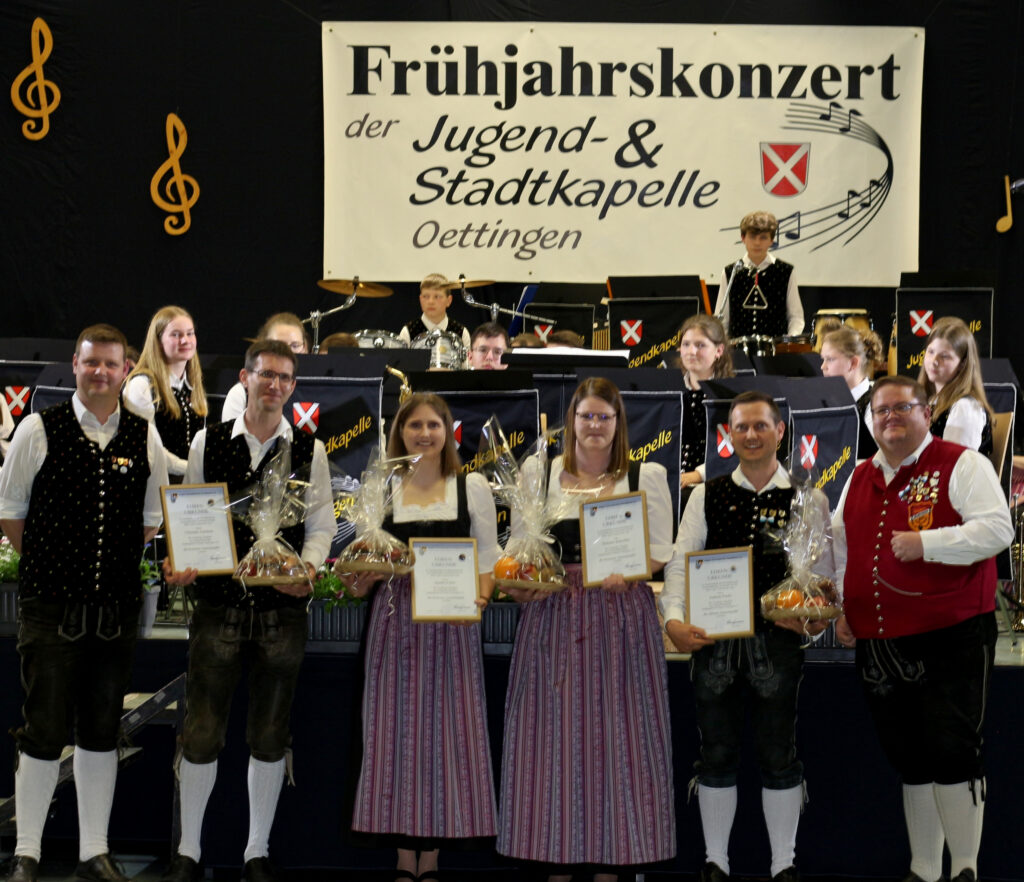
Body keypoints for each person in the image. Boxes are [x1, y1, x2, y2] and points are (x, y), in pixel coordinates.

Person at [161, 339, 336, 882]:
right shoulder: (207, 441)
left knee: (270, 735)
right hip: (218, 608)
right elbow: (190, 513)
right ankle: (188, 852)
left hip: (283, 613)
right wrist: (184, 560)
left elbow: (322, 525)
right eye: (266, 375)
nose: (275, 385)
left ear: (293, 386)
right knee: (201, 732)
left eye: (284, 378)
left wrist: (307, 570)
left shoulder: (310, 450)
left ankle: (255, 852)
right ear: (245, 377)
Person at [0, 324, 169, 882]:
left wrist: (105, 569)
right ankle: (26, 853)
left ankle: (93, 853)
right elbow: (10, 512)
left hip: (114, 612)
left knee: (101, 730)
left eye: (111, 364)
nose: (100, 372)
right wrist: (55, 567)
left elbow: (149, 522)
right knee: (43, 730)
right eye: (91, 362)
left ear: (126, 371)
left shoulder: (144, 436)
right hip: (49, 610)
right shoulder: (37, 428)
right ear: (74, 364)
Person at [831, 375, 1012, 882]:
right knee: (909, 756)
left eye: (902, 408)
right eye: (881, 411)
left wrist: (928, 543)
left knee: (953, 750)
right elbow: (841, 545)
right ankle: (925, 869)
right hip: (879, 639)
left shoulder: (962, 463)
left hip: (952, 634)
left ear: (926, 412)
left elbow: (999, 529)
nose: (890, 418)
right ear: (870, 421)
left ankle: (965, 869)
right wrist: (844, 605)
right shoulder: (858, 475)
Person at [497, 377, 676, 882]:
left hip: (620, 619)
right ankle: (554, 859)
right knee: (552, 742)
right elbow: (519, 549)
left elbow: (660, 550)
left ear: (619, 424)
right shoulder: (539, 473)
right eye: (586, 416)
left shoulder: (645, 474)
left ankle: (611, 866)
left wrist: (631, 570)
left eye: (604, 417)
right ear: (571, 420)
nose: (594, 425)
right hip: (552, 617)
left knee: (619, 741)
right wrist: (521, 585)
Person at [660, 390, 834, 882]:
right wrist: (673, 620)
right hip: (713, 642)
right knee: (715, 752)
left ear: (780, 431)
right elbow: (679, 564)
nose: (751, 435)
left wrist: (814, 618)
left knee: (779, 752)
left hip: (779, 644)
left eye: (761, 426)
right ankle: (716, 862)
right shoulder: (704, 495)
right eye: (741, 427)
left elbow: (823, 577)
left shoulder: (810, 497)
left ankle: (784, 865)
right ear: (729, 434)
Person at [341, 393, 498, 882]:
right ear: (400, 433)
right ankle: (402, 855)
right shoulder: (382, 486)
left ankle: (431, 855)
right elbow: (359, 571)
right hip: (393, 626)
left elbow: (488, 559)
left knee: (449, 737)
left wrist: (480, 599)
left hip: (452, 627)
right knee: (393, 737)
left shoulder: (471, 486)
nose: (424, 434)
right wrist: (360, 580)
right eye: (415, 426)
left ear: (448, 432)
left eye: (433, 425)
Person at [123, 306, 209, 477]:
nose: (185, 340)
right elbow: (147, 448)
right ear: (158, 341)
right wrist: (190, 468)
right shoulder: (142, 386)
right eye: (176, 335)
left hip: (191, 481)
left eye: (190, 333)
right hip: (156, 483)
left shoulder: (193, 386)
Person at [714, 211, 804, 339]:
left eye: (763, 237)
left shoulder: (785, 271)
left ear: (771, 240)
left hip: (775, 348)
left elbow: (796, 317)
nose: (757, 243)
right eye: (752, 237)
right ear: (743, 238)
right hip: (737, 348)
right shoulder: (731, 272)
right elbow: (722, 318)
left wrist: (788, 342)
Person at [918, 316, 994, 455]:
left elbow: (954, 463)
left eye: (944, 356)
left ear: (962, 364)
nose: (934, 361)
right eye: (931, 352)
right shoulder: (931, 400)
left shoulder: (965, 407)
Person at [677, 314, 735, 489]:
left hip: (714, 483)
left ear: (719, 351)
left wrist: (698, 475)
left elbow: (730, 451)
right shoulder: (672, 391)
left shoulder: (729, 395)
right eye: (686, 344)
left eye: (700, 345)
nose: (691, 352)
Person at [221, 313, 310, 422]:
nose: (287, 352)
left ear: (304, 347)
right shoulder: (240, 394)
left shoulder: (320, 389)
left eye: (295, 346)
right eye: (278, 345)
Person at [820, 325, 885, 461]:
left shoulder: (876, 404)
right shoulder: (826, 401)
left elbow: (877, 459)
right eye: (823, 359)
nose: (823, 366)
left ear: (853, 363)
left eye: (830, 359)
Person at [397, 273, 471, 350]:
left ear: (449, 300)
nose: (431, 302)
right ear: (420, 299)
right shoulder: (408, 332)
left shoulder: (461, 332)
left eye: (437, 296)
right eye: (426, 296)